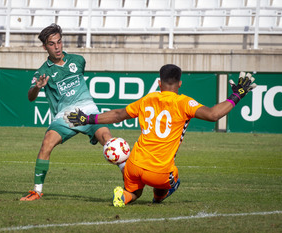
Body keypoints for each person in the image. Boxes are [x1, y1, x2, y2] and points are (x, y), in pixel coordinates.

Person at [64, 64, 257, 207]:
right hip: (159, 172)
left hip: (133, 165)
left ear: (159, 82)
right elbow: (214, 114)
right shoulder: (183, 103)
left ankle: (122, 196)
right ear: (180, 83)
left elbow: (117, 115)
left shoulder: (148, 99)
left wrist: (87, 118)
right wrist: (237, 94)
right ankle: (158, 197)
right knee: (174, 179)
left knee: (135, 192)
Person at [20, 23, 124, 201]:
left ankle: (132, 185)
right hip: (66, 116)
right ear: (45, 47)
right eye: (52, 44)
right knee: (46, 144)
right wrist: (37, 88)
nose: (57, 47)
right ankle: (37, 191)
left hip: (88, 111)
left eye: (59, 42)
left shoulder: (78, 60)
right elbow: (30, 97)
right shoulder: (42, 72)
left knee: (111, 143)